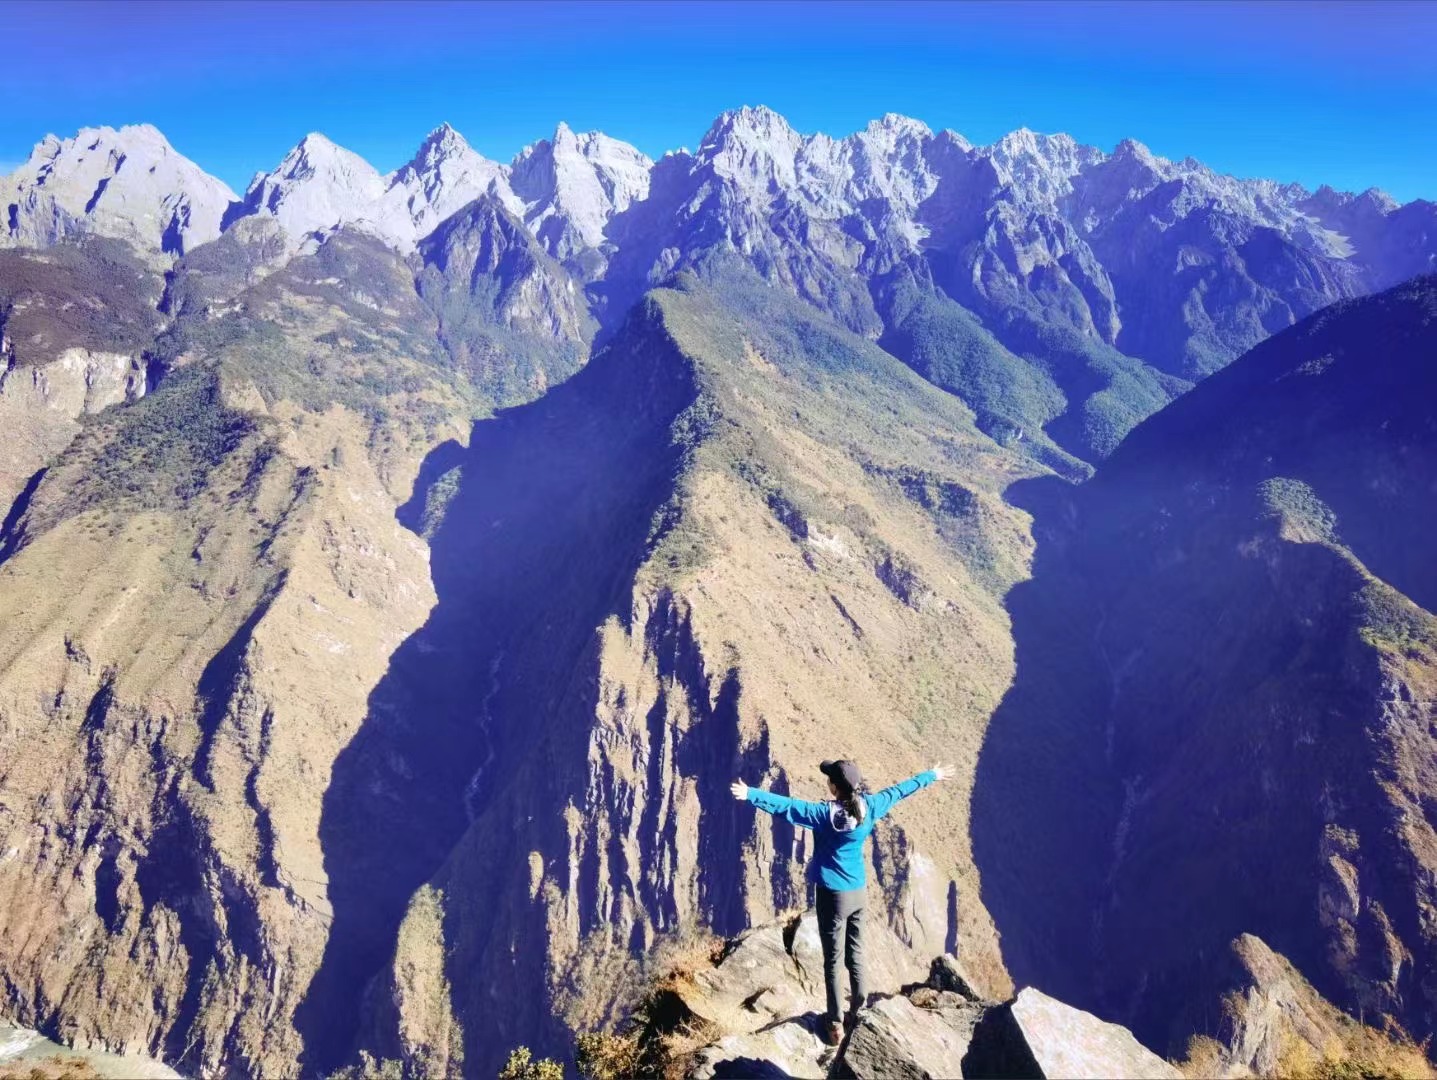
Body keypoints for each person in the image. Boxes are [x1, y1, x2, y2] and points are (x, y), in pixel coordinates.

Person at [730, 758, 952, 1046]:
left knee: (833, 961)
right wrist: (932, 774)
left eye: (829, 779)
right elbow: (899, 791)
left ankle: (835, 1025)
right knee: (856, 954)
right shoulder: (870, 806)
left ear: (833, 787)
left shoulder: (823, 814)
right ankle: (858, 1010)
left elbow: (787, 807)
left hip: (832, 895)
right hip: (858, 892)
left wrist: (750, 794)